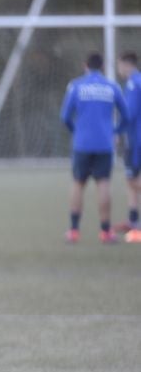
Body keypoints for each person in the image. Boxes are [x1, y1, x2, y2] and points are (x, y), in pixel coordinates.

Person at [60, 52, 128, 244]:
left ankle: (73, 231)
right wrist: (116, 132)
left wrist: (76, 131)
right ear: (103, 67)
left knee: (78, 183)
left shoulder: (76, 86)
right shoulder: (112, 87)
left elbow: (65, 116)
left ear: (85, 66)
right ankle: (106, 232)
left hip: (82, 143)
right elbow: (126, 115)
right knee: (103, 183)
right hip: (105, 144)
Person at [116, 51, 141, 242]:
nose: (119, 70)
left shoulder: (133, 83)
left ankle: (136, 226)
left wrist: (117, 132)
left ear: (126, 64)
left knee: (134, 181)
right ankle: (133, 222)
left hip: (136, 140)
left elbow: (129, 114)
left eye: (119, 66)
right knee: (131, 181)